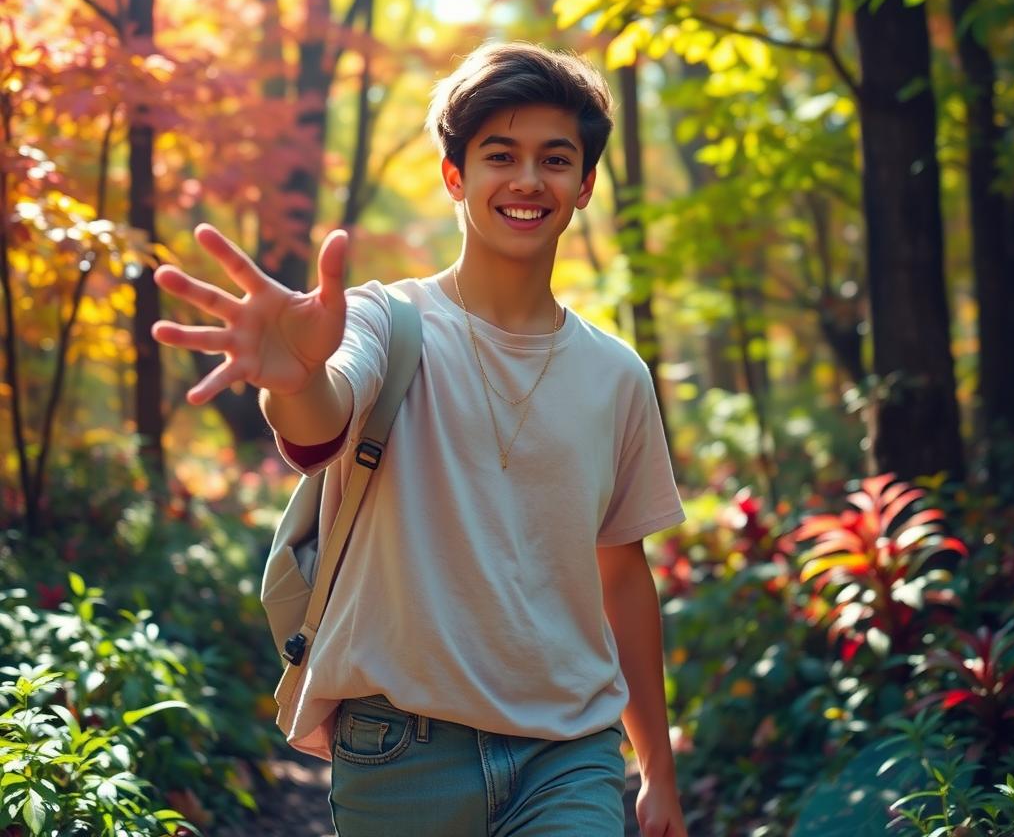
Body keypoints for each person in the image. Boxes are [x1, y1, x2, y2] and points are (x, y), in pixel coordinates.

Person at [152, 41, 689, 837]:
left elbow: (622, 578)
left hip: (569, 753)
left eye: (555, 158)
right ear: (455, 175)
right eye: (499, 155)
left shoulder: (617, 375)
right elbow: (322, 421)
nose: (527, 180)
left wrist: (659, 776)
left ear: (584, 186)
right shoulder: (382, 320)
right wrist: (294, 381)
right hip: (400, 749)